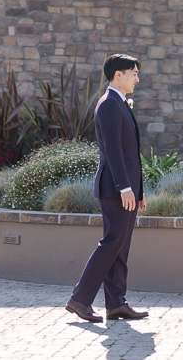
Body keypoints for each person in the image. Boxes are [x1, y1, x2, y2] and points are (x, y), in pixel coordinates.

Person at [66, 54, 148, 323]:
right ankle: (80, 299)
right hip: (115, 188)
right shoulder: (110, 104)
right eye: (133, 73)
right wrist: (124, 187)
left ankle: (116, 304)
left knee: (120, 245)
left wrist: (139, 190)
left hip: (125, 189)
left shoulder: (119, 103)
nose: (137, 78)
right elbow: (113, 151)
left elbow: (130, 153)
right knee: (112, 243)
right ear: (118, 75)